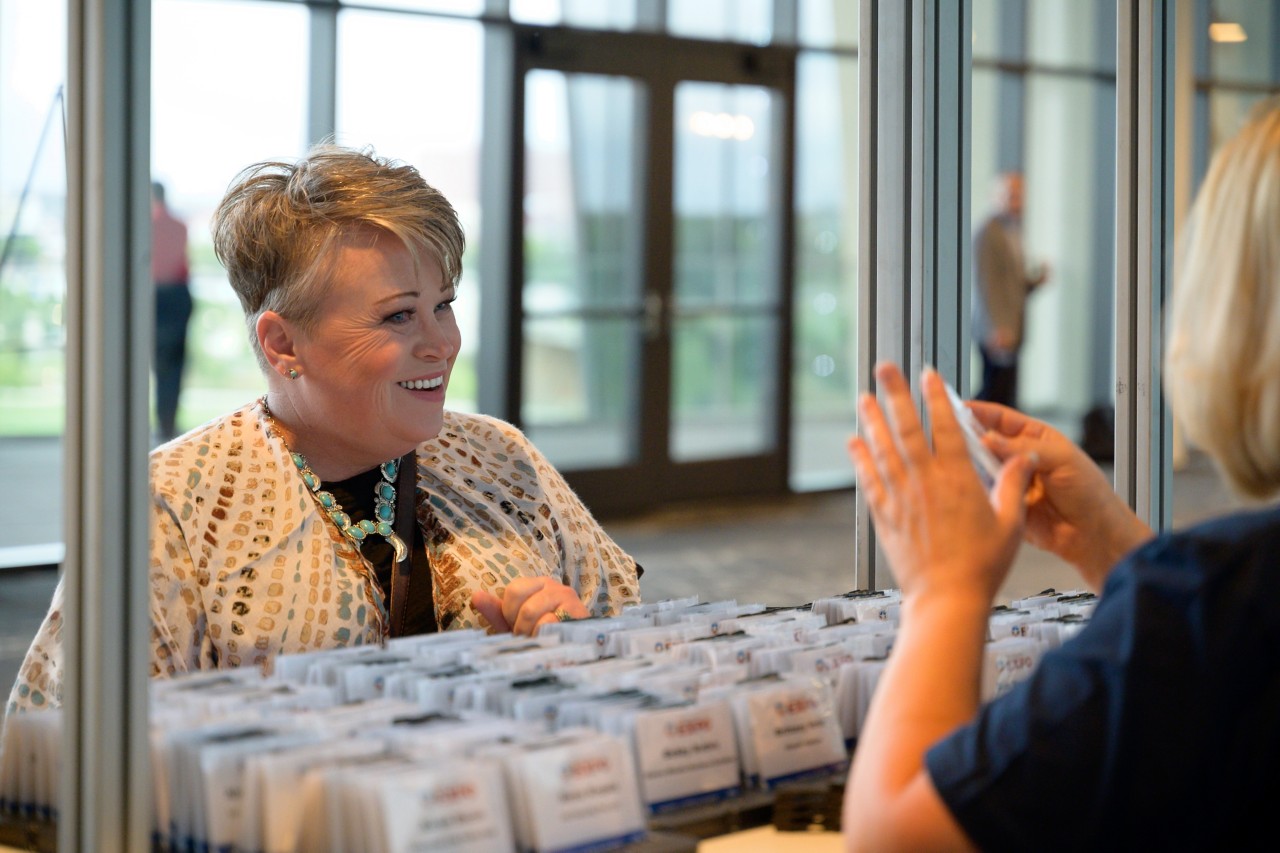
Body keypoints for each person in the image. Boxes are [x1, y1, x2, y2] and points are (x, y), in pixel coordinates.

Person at [7, 145, 641, 714]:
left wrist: (574, 645)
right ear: (283, 343)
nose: (442, 344)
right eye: (399, 316)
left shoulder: (497, 458)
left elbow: (644, 657)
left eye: (443, 305)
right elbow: (69, 758)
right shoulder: (172, 503)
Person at [842, 97, 1280, 850]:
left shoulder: (1216, 601)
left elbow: (895, 839)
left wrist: (944, 592)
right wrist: (1115, 540)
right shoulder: (1216, 597)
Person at [971, 171, 1048, 409]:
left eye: (1019, 195)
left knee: (1003, 396)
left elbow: (1012, 285)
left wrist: (1036, 281)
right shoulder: (988, 232)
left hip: (1011, 329)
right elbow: (987, 284)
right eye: (1010, 195)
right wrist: (997, 328)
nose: (1016, 201)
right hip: (996, 331)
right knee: (992, 396)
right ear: (995, 197)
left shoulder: (1013, 230)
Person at [152, 180, 194, 441]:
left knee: (159, 364)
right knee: (174, 366)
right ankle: (168, 423)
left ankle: (164, 424)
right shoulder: (179, 226)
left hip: (158, 297)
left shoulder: (146, 226)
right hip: (178, 296)